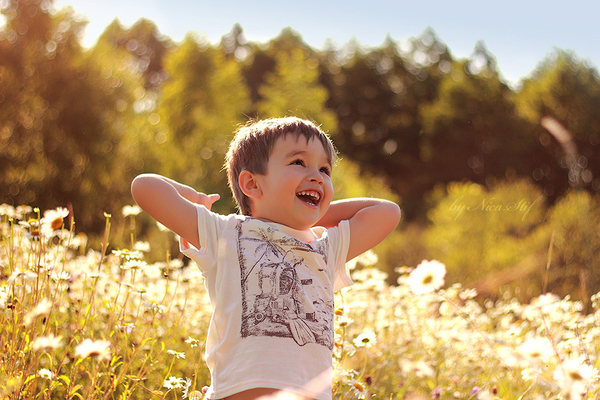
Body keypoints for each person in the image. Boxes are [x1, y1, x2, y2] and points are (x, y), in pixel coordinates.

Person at [131, 117, 401, 400]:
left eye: (324, 169)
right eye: (299, 162)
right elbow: (145, 187)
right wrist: (194, 197)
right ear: (252, 184)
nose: (317, 176)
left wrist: (311, 211)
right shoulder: (225, 232)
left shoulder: (324, 248)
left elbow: (387, 212)